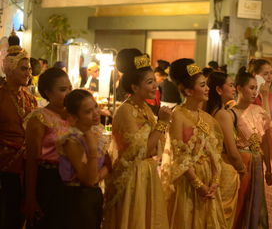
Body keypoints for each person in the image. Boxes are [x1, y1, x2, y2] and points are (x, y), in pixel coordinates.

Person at [103, 49, 170, 229]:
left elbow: (155, 146)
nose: (155, 86)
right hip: (133, 176)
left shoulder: (145, 108)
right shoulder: (125, 111)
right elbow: (140, 150)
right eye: (149, 83)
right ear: (134, 87)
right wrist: (162, 123)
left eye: (154, 81)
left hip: (147, 172)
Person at [162, 58, 227, 228]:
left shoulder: (207, 118)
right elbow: (179, 155)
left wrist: (215, 180)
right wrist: (198, 184)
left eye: (207, 84)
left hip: (209, 180)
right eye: (203, 85)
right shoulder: (178, 115)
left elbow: (216, 152)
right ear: (189, 91)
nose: (208, 89)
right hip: (188, 181)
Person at [24, 68, 71, 228]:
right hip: (49, 181)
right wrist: (30, 197)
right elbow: (31, 161)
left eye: (70, 88)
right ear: (48, 92)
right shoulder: (39, 118)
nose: (68, 93)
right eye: (63, 90)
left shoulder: (74, 116)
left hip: (72, 181)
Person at [57, 89, 111, 229]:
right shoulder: (71, 141)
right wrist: (92, 150)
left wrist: (98, 175)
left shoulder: (96, 131)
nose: (95, 113)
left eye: (95, 107)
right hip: (77, 198)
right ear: (74, 117)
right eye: (88, 112)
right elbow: (88, 180)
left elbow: (109, 164)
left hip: (94, 194)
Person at [0, 46, 37, 229]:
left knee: (20, 215)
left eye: (29, 68)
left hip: (27, 166)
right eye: (23, 68)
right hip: (5, 165)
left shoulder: (30, 99)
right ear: (10, 69)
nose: (28, 73)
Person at [232, 67, 272, 228]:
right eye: (251, 88)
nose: (254, 92)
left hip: (258, 163)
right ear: (239, 88)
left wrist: (269, 168)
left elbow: (265, 142)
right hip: (241, 166)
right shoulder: (231, 113)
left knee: (257, 204)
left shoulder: (259, 111)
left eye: (256, 88)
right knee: (240, 204)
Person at [206, 71, 244, 228]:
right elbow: (232, 152)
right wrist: (242, 169)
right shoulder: (223, 114)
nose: (234, 89)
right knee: (223, 219)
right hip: (225, 168)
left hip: (214, 166)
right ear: (219, 90)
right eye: (230, 85)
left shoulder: (210, 111)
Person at [248, 58, 272, 227]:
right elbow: (264, 125)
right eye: (265, 74)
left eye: (271, 73)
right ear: (255, 76)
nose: (269, 77)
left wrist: (266, 96)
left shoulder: (269, 96)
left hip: (269, 146)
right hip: (256, 149)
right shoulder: (250, 98)